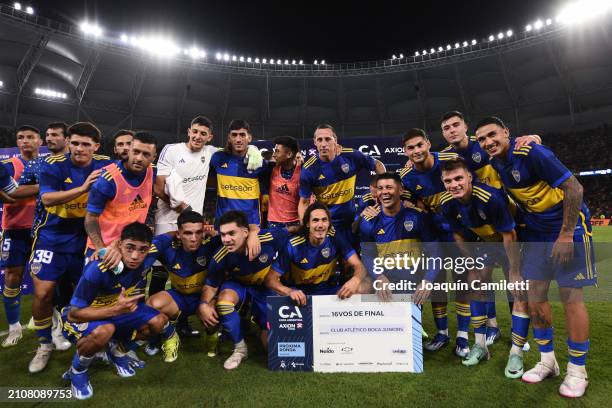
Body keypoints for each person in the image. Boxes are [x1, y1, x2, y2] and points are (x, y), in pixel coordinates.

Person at [475, 116, 596, 398]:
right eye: (481, 139)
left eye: (492, 135)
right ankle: (547, 362)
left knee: (570, 297)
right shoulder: (495, 165)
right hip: (536, 232)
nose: (488, 142)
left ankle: (577, 370)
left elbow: (575, 188)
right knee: (535, 297)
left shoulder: (531, 151)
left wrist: (566, 235)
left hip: (570, 227)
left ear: (507, 132)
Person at [440, 111, 540, 343]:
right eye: (446, 127)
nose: (452, 130)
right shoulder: (444, 157)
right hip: (476, 219)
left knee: (512, 277)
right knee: (480, 277)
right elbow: (423, 165)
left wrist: (534, 137)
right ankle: (492, 326)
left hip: (506, 212)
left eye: (456, 125)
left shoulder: (484, 142)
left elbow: (512, 144)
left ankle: (520, 337)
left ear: (465, 126)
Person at [28, 122, 112, 373]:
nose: (79, 148)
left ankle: (93, 342)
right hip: (51, 236)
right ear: (68, 143)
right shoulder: (53, 164)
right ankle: (44, 344)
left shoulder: (105, 165)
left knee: (90, 294)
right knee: (43, 294)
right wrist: (83, 188)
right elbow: (46, 198)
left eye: (86, 144)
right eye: (75, 143)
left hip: (84, 238)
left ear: (96, 147)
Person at [439, 157, 530, 376]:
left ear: (469, 177)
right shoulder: (448, 203)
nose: (454, 184)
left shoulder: (490, 197)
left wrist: (515, 272)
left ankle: (516, 353)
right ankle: (481, 345)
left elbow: (510, 234)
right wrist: (471, 263)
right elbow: (458, 234)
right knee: (475, 283)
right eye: (448, 181)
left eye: (459, 178)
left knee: (518, 291)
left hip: (517, 240)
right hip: (488, 242)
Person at [60, 222, 169, 400]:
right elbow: (74, 314)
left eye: (142, 250)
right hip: (84, 316)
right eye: (130, 247)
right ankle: (77, 370)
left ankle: (118, 351)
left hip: (118, 310)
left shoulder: (149, 256)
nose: (135, 256)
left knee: (159, 321)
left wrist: (186, 231)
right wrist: (115, 310)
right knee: (105, 330)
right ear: (119, 244)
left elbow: (169, 236)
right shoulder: (98, 268)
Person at [399, 128, 471, 358]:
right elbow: (413, 204)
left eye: (420, 145)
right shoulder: (406, 177)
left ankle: (463, 335)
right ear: (405, 151)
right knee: (437, 284)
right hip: (433, 237)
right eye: (411, 148)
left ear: (429, 144)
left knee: (463, 284)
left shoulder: (451, 160)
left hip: (460, 234)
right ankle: (442, 333)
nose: (416, 150)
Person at [150, 116, 218, 337]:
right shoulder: (171, 150)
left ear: (210, 137)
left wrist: (255, 149)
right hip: (167, 218)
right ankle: (152, 320)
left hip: (192, 223)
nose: (198, 136)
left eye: (203, 133)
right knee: (160, 269)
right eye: (195, 131)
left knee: (188, 269)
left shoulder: (211, 153)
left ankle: (182, 322)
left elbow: (235, 149)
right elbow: (158, 187)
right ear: (189, 131)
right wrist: (179, 208)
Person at [8, 122, 72, 350]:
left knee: (73, 285)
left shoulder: (79, 163)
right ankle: (55, 329)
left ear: (67, 139)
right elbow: (16, 192)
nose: (50, 138)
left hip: (77, 233)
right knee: (48, 285)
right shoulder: (37, 163)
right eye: (47, 135)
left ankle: (70, 327)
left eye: (55, 135)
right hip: (45, 232)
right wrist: (45, 186)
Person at [198, 211, 288, 370]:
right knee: (224, 303)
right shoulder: (220, 256)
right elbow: (211, 286)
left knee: (273, 349)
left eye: (232, 233)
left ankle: (256, 325)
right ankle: (240, 349)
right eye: (223, 234)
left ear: (245, 232)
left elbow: (292, 233)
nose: (226, 240)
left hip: (264, 289)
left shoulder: (268, 239)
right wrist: (204, 304)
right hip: (238, 286)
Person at [145, 210, 222, 361]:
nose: (194, 238)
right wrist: (172, 234)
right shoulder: (168, 250)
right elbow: (151, 243)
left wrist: (215, 234)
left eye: (198, 232)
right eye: (187, 233)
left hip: (203, 298)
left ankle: (212, 337)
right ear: (178, 234)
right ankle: (168, 336)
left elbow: (235, 239)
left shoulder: (211, 247)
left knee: (217, 311)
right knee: (152, 305)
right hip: (178, 299)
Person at [298, 124, 385, 252]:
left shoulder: (350, 156)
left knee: (351, 262)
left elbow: (378, 164)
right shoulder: (309, 168)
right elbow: (303, 202)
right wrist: (306, 227)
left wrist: (382, 189)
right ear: (315, 142)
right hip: (327, 225)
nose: (323, 144)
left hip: (351, 222)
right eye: (319, 140)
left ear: (335, 141)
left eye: (328, 139)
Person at [359, 173, 440, 304]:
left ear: (400, 190)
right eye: (380, 188)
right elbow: (368, 256)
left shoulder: (417, 217)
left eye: (389, 187)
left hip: (413, 286)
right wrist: (379, 277)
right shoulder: (368, 221)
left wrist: (427, 281)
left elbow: (435, 252)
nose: (384, 192)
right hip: (384, 285)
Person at [265, 202, 366, 304]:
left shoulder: (335, 237)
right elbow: (270, 279)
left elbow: (359, 266)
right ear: (308, 224)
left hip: (327, 291)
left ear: (329, 223)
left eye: (324, 220)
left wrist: (355, 280)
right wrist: (289, 291)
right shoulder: (293, 245)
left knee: (363, 287)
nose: (320, 225)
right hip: (301, 295)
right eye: (315, 220)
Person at [84, 131, 157, 261]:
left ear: (153, 157)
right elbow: (90, 218)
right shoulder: (107, 179)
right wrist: (101, 249)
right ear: (129, 151)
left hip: (133, 247)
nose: (139, 158)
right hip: (105, 247)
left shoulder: (153, 171)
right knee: (93, 280)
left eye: (146, 154)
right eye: (135, 151)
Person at [1, 125, 41, 347]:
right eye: (21, 138)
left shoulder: (48, 165)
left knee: (45, 279)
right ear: (17, 142)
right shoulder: (9, 166)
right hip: (15, 230)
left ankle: (43, 318)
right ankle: (14, 327)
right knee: (12, 277)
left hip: (43, 230)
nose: (25, 141)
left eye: (30, 137)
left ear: (40, 141)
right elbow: (9, 196)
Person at [208, 119, 267, 259]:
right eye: (234, 135)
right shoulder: (218, 158)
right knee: (220, 269)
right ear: (229, 138)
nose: (238, 139)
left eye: (242, 135)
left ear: (249, 138)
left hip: (250, 225)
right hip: (223, 226)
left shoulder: (259, 162)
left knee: (250, 268)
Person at [267, 136, 302, 232]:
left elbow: (306, 202)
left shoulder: (303, 172)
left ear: (289, 154)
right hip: (273, 224)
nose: (274, 155)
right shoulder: (270, 169)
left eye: (277, 151)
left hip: (294, 225)